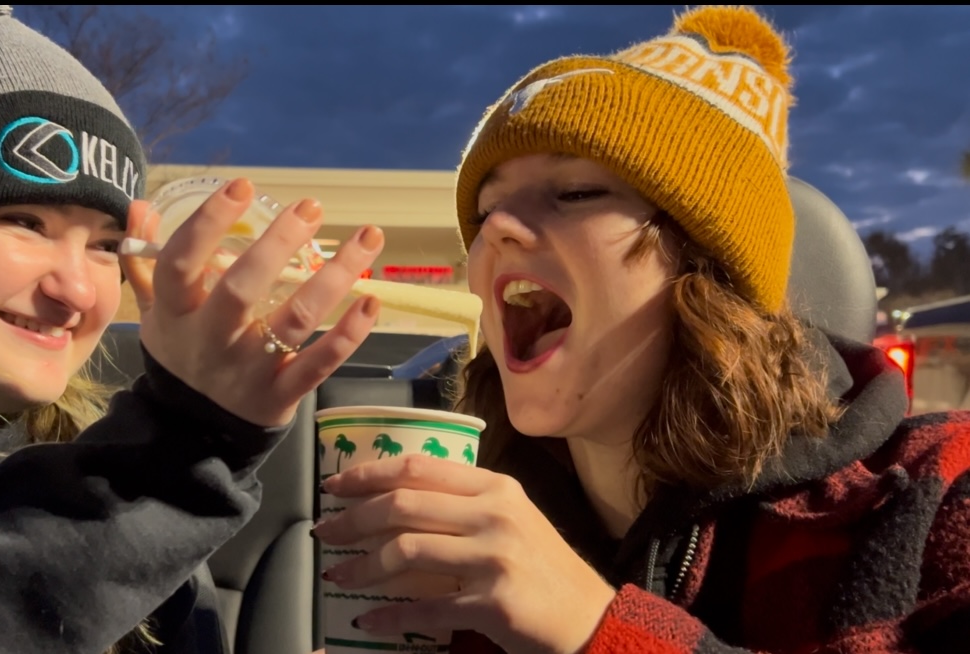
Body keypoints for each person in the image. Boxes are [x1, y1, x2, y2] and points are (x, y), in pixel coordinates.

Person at [313, 5, 970, 653]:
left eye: (574, 191)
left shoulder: (936, 497)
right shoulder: (458, 529)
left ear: (708, 271)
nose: (495, 233)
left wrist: (596, 628)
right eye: (486, 210)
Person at [0, 5, 383, 654]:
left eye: (107, 246)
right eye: (24, 222)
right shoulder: (150, 478)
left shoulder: (113, 461)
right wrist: (179, 459)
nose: (76, 291)